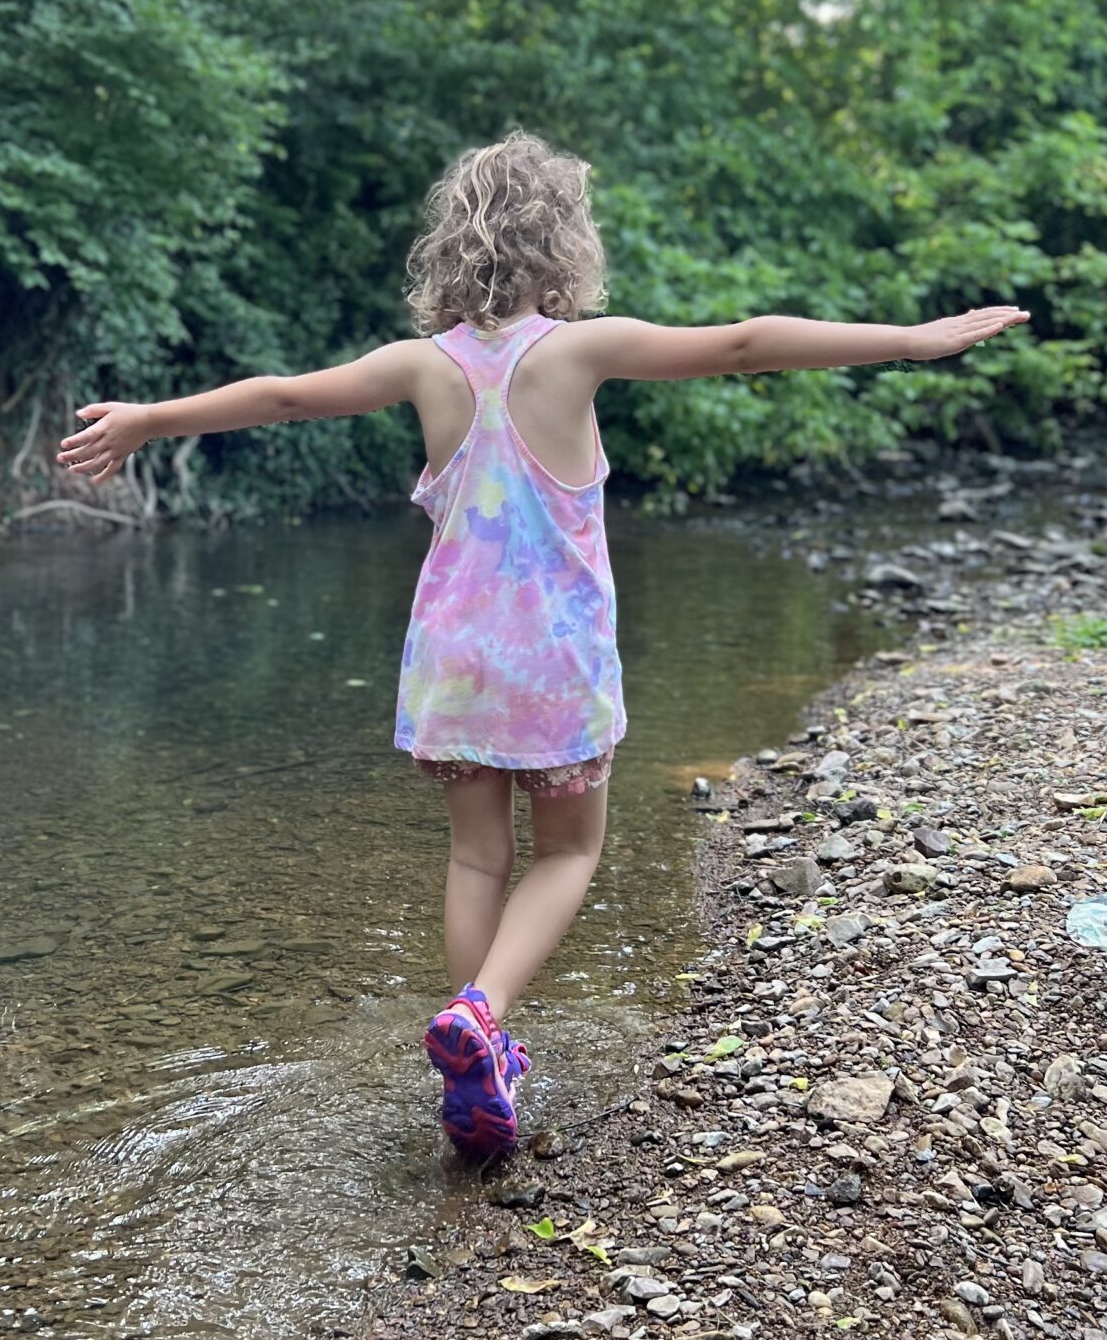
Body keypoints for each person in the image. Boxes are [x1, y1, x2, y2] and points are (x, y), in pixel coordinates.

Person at [58, 132, 1027, 1163]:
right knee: (570, 850)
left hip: (454, 664)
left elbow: (286, 395)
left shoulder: (422, 366)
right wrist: (914, 340)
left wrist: (149, 419)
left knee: (480, 854)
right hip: (553, 666)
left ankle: (483, 1048)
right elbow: (746, 342)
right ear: (563, 243)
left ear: (449, 249)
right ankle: (482, 1016)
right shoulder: (578, 350)